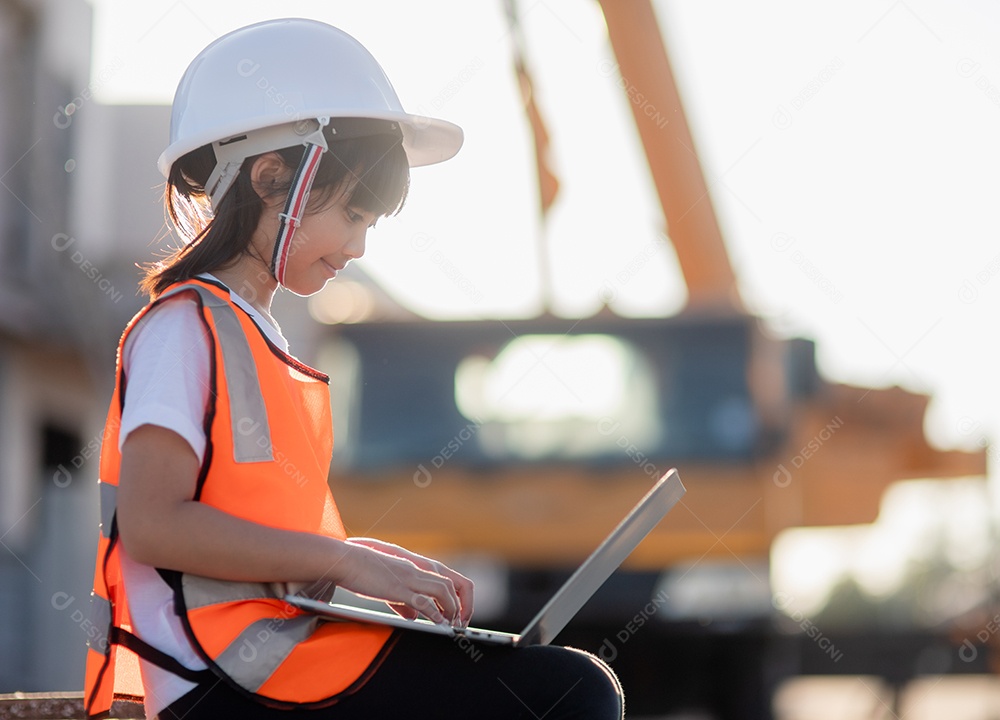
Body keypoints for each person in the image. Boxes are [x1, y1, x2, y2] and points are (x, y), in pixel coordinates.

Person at [83, 18, 623, 720]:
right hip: (222, 687)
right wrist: (342, 562)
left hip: (266, 668)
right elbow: (153, 526)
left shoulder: (253, 336)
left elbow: (250, 537)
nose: (361, 246)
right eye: (355, 214)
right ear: (273, 178)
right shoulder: (184, 328)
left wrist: (367, 559)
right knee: (567, 692)